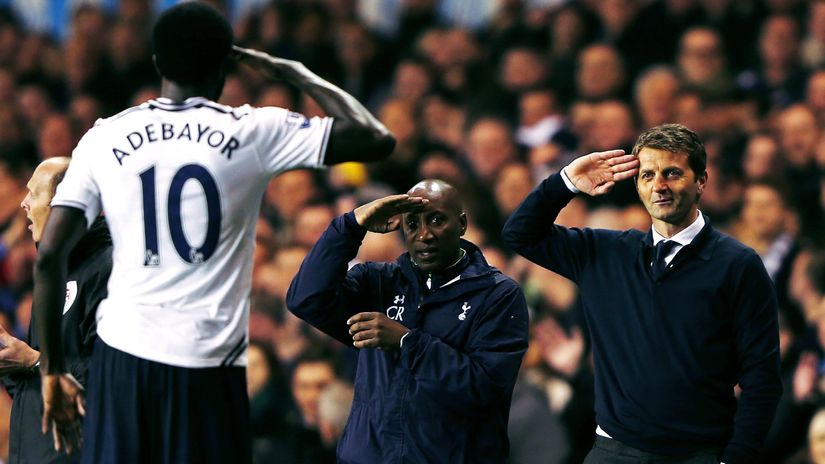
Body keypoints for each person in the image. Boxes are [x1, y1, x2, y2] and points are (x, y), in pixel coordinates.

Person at [31, 3, 395, 463]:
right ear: (225, 64)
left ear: (158, 61)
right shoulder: (251, 129)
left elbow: (49, 256)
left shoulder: (105, 136)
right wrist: (297, 73)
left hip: (122, 358)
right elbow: (375, 137)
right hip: (207, 362)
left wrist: (52, 370)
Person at [502, 123, 782, 463]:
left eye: (672, 173)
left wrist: (737, 458)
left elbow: (762, 378)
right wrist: (565, 183)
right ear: (636, 185)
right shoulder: (604, 252)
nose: (659, 186)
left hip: (698, 454)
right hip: (613, 451)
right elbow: (520, 234)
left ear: (701, 182)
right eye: (647, 175)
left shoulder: (739, 265)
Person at [286, 179, 529, 463]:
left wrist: (406, 342)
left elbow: (485, 388)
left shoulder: (498, 295)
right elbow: (305, 299)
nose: (424, 234)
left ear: (461, 224)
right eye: (412, 224)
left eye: (436, 220)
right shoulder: (377, 282)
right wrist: (351, 226)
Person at [1, 157, 111, 463]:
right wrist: (12, 363)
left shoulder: (108, 269)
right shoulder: (53, 273)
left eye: (35, 194)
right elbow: (42, 390)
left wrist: (35, 362)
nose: (23, 203)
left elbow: (110, 380)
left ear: (69, 206)